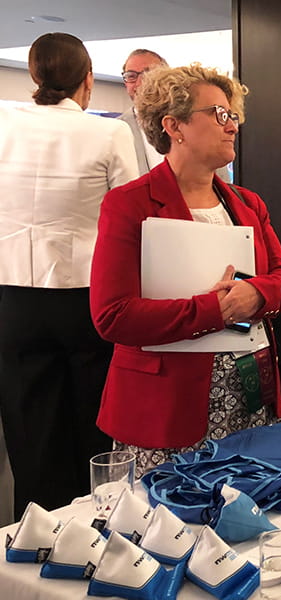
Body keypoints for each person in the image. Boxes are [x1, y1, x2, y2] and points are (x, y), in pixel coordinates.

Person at [90, 64, 281, 476]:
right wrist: (215, 310)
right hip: (166, 408)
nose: (233, 126)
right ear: (174, 126)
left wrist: (257, 294)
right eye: (220, 115)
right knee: (165, 512)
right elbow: (112, 315)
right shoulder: (130, 204)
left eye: (233, 116)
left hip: (249, 394)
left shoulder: (247, 204)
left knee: (249, 502)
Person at [0, 33, 139, 512]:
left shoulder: (3, 126)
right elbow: (130, 216)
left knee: (28, 424)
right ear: (88, 79)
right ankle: (97, 522)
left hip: (13, 297)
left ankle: (36, 528)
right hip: (86, 295)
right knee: (93, 420)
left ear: (34, 74)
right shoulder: (108, 133)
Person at [119, 49, 231, 182]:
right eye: (131, 76)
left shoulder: (195, 117)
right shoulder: (116, 130)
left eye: (149, 74)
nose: (140, 83)